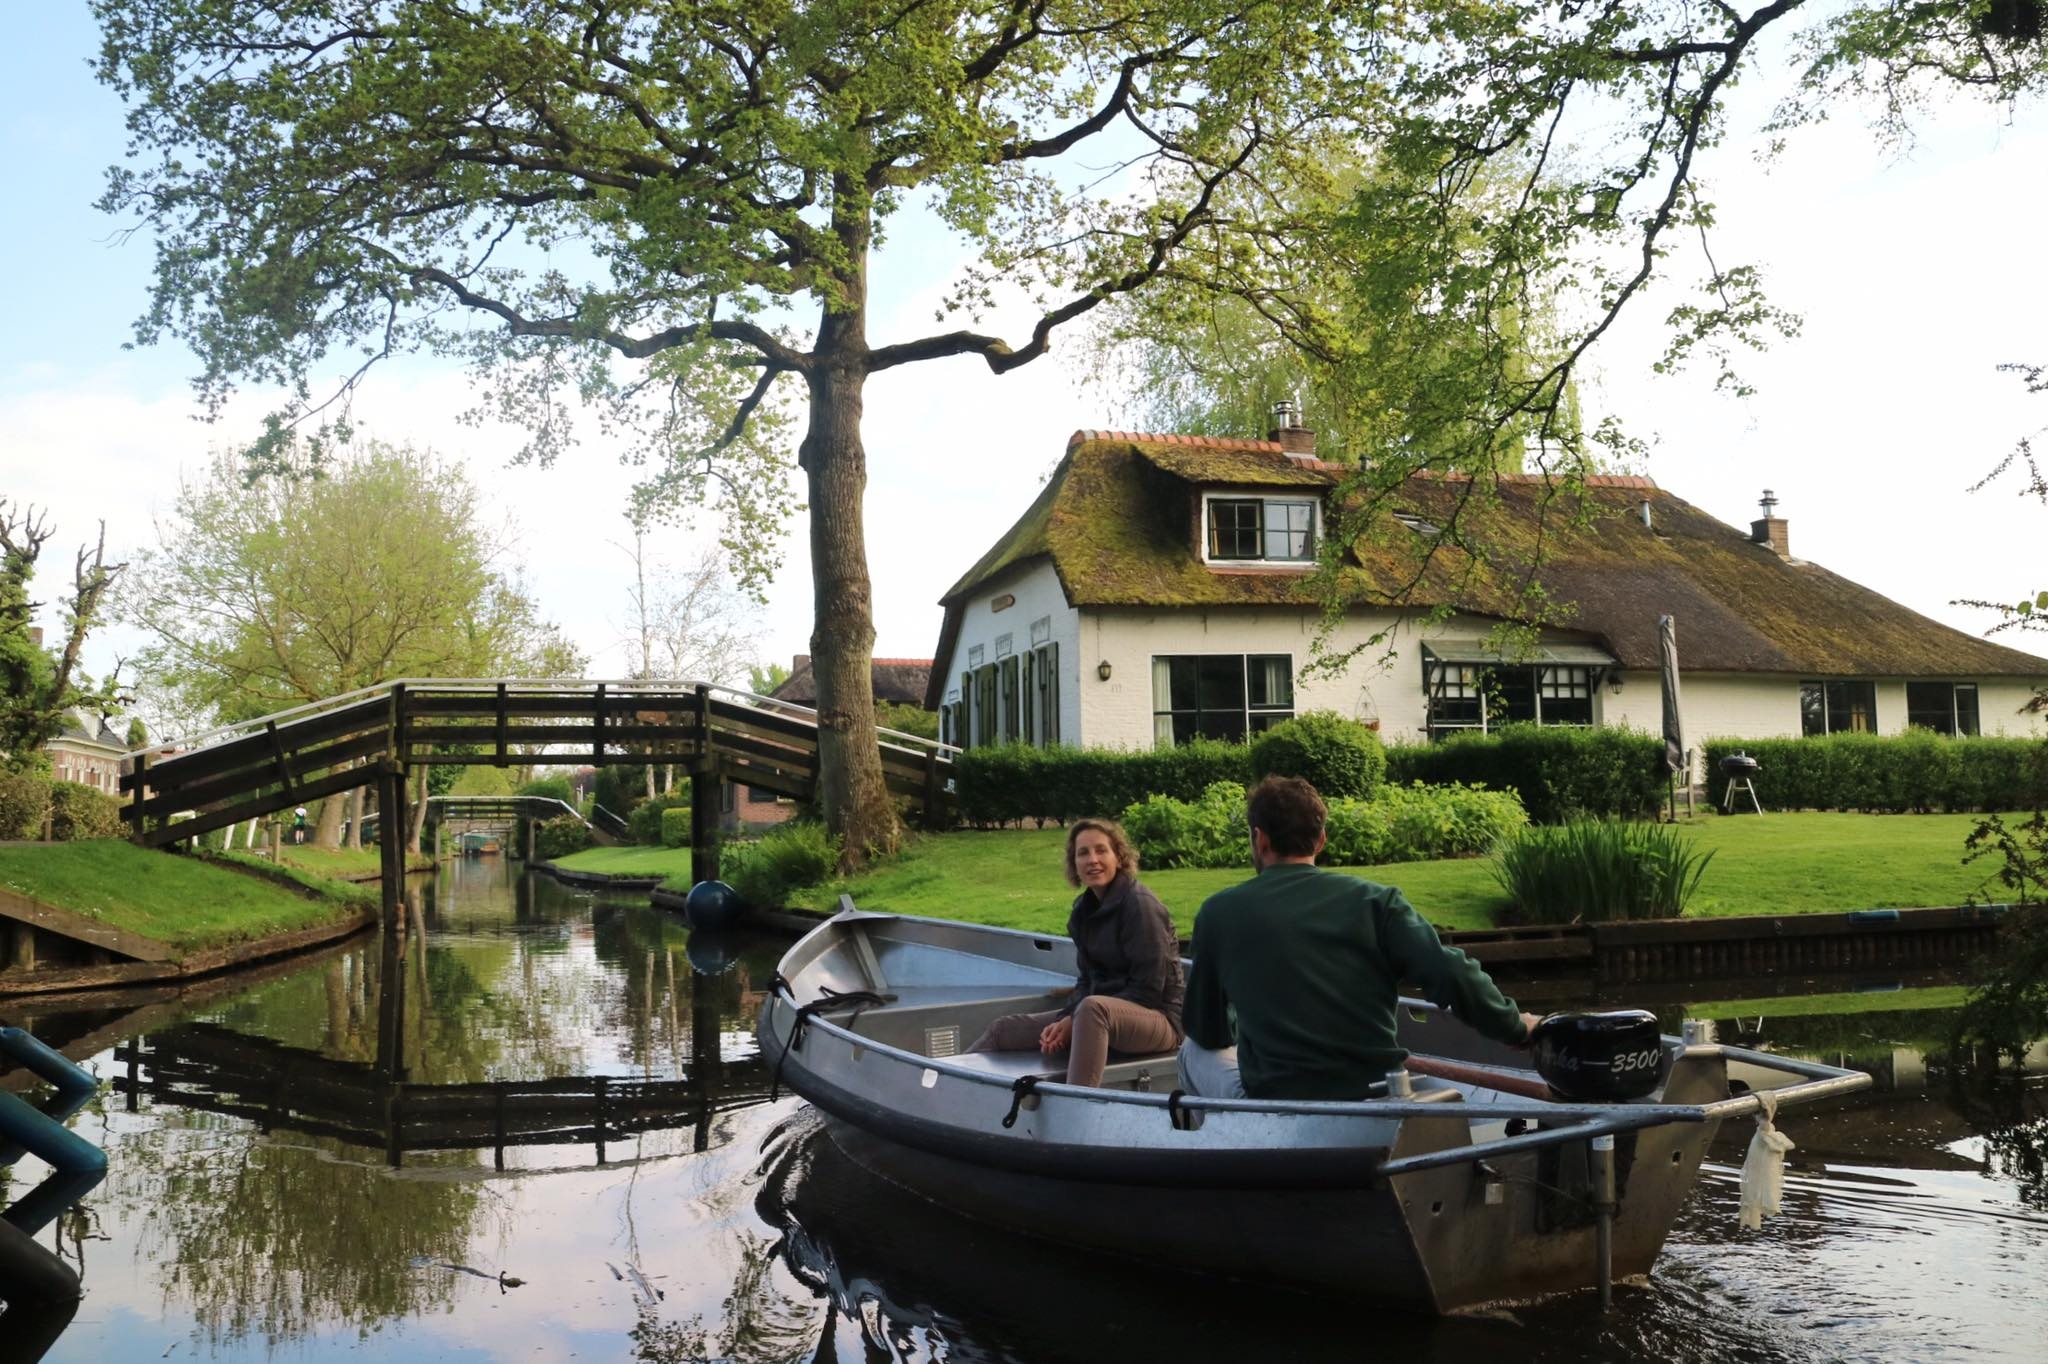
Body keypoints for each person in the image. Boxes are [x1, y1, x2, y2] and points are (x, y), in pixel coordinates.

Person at [1179, 775, 1539, 1101]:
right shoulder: (1377, 902)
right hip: (1376, 1091)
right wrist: (1515, 1028)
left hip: (1279, 1102)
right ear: (1321, 839)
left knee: (1192, 1052)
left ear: (1259, 838)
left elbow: (1208, 1031)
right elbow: (1451, 973)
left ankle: (1220, 1157)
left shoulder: (1218, 913)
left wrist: (1251, 1019)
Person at [968, 817, 1185, 1087]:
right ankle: (948, 1093)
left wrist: (1075, 1020)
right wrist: (1066, 1019)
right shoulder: (1084, 910)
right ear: (1075, 864)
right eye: (1083, 853)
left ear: (1119, 856)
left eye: (1101, 850)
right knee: (1005, 1030)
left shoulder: (1140, 906)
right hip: (1094, 1015)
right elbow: (1086, 980)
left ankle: (1075, 1110)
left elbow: (1149, 990)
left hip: (1160, 1020)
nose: (1092, 859)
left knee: (1092, 1010)